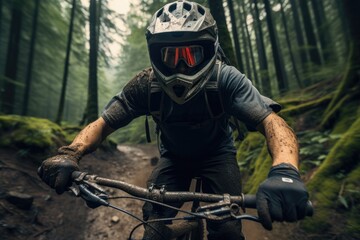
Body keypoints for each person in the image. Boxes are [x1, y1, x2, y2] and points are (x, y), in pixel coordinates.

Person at [38, 1, 309, 239]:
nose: (181, 65)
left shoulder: (226, 78)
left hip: (218, 156)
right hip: (174, 159)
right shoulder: (145, 84)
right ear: (156, 55)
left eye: (191, 55)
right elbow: (103, 123)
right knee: (154, 222)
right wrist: (69, 154)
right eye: (170, 55)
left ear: (209, 50)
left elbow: (272, 122)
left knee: (226, 230)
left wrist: (285, 173)